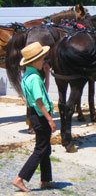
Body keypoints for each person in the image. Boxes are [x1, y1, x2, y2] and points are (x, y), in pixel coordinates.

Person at [13, 42, 56, 192]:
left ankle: (45, 180)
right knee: (40, 149)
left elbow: (42, 94)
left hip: (34, 115)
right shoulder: (35, 78)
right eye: (42, 58)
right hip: (41, 116)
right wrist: (50, 119)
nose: (44, 61)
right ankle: (20, 179)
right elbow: (39, 101)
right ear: (34, 61)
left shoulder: (28, 76)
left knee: (45, 148)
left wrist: (48, 76)